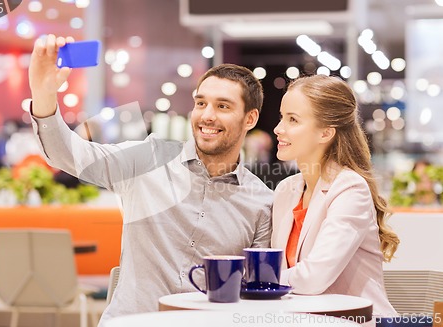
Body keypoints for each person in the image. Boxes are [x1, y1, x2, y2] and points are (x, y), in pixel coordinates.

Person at [28, 35, 273, 323]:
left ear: (250, 119)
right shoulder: (148, 159)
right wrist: (43, 93)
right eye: (201, 103)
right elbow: (68, 154)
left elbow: (258, 292)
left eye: (223, 106)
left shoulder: (260, 201)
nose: (207, 115)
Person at [270, 74, 400, 317]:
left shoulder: (350, 188)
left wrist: (258, 277)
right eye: (281, 117)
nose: (279, 128)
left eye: (293, 120)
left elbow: (313, 279)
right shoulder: (285, 191)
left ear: (325, 133)